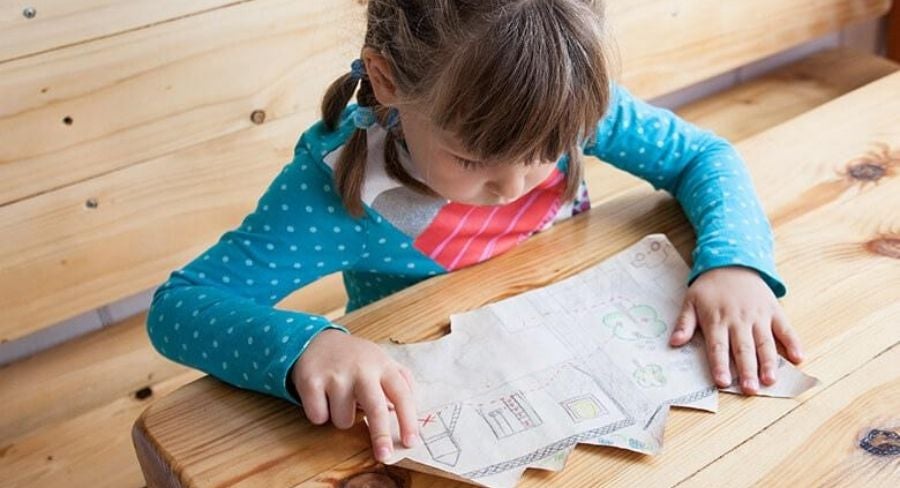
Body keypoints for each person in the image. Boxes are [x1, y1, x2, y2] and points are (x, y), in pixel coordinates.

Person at [147, 0, 805, 464]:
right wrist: (308, 349)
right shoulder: (333, 192)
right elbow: (179, 307)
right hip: (430, 429)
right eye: (472, 159)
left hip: (579, 378)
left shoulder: (557, 99)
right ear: (386, 80)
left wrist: (736, 262)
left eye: (550, 150)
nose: (517, 184)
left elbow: (704, 155)